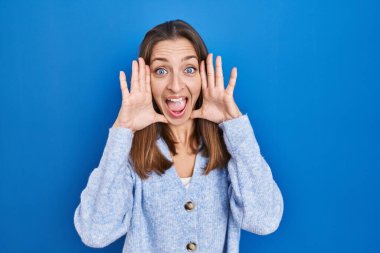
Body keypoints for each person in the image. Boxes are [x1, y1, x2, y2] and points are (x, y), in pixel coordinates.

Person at [73, 19, 284, 253]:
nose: (175, 86)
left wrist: (235, 125)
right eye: (161, 71)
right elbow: (94, 232)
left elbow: (265, 221)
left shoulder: (229, 150)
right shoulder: (130, 154)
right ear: (146, 79)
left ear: (203, 76)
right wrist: (122, 130)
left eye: (189, 69)